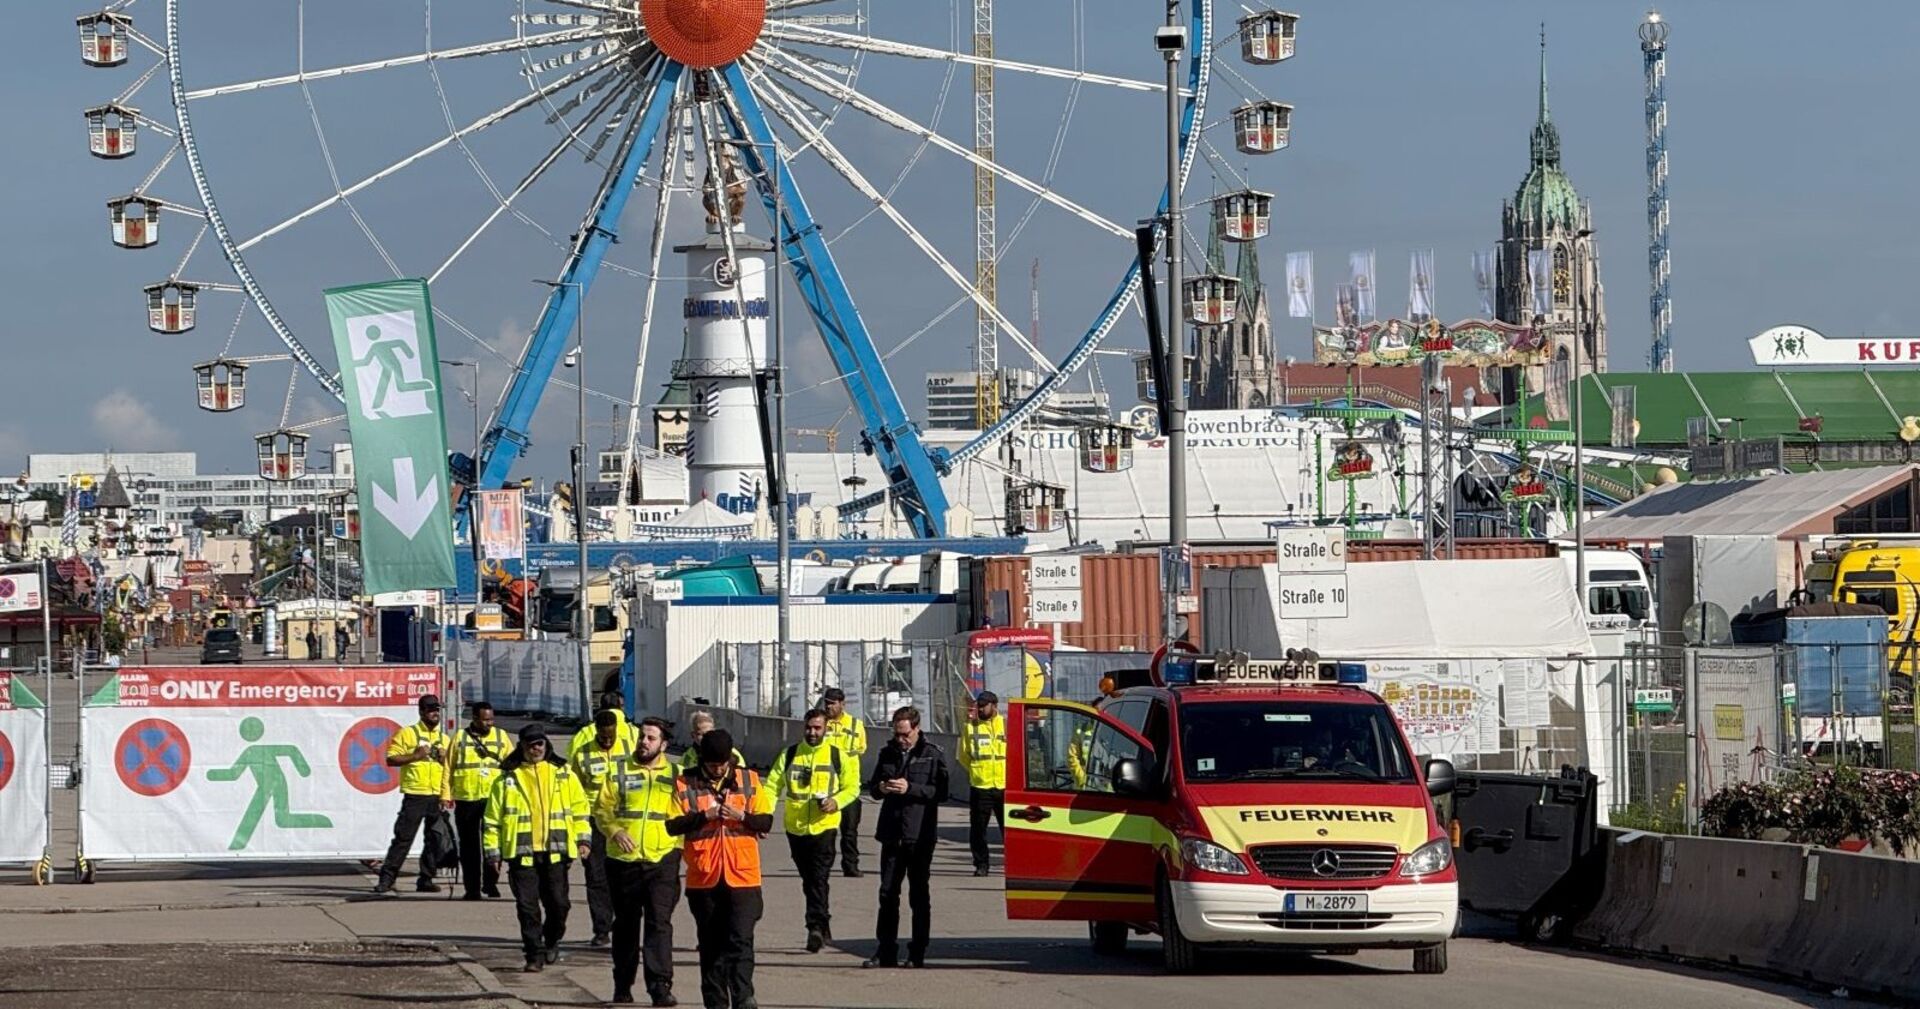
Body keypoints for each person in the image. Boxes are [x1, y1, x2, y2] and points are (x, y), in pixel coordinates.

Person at [667, 730, 774, 1009]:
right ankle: (715, 1003)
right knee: (711, 945)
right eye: (712, 764)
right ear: (703, 760)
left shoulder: (748, 780)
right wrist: (705, 816)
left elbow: (765, 821)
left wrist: (742, 816)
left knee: (741, 938)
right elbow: (672, 825)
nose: (717, 769)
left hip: (744, 876)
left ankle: (743, 996)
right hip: (704, 877)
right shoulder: (684, 783)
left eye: (722, 764)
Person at [486, 723, 592, 974]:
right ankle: (533, 954)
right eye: (530, 744)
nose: (536, 749)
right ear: (521, 746)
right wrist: (493, 853)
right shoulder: (507, 778)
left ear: (546, 744)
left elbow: (580, 810)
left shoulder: (563, 773)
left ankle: (551, 939)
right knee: (527, 908)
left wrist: (583, 840)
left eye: (539, 744)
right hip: (521, 855)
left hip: (556, 852)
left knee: (559, 905)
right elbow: (492, 820)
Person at [595, 716, 685, 1007]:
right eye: (641, 737)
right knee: (625, 925)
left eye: (651, 738)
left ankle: (660, 987)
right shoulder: (619, 770)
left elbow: (684, 816)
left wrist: (678, 851)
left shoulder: (677, 775)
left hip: (662, 860)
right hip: (624, 861)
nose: (644, 743)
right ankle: (622, 984)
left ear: (664, 745)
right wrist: (615, 830)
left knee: (660, 924)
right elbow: (602, 809)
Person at [766, 708, 860, 952]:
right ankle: (823, 922)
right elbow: (772, 786)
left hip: (824, 827)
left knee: (818, 877)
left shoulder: (838, 756)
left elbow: (852, 787)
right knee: (810, 880)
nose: (812, 732)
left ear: (826, 729)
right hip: (795, 828)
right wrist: (764, 815)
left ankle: (814, 928)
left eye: (817, 728)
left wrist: (836, 802)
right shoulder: (790, 754)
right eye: (809, 727)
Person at [863, 706, 949, 969]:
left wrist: (910, 788)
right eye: (897, 734)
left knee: (918, 895)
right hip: (892, 833)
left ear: (916, 729)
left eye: (905, 734)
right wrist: (881, 787)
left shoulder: (932, 754)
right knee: (887, 893)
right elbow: (873, 788)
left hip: (919, 835)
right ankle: (886, 949)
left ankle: (917, 951)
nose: (901, 739)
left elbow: (941, 792)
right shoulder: (887, 752)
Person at [571, 705, 637, 947]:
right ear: (596, 731)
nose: (608, 741)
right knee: (596, 875)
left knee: (624, 876)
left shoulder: (629, 749)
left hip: (622, 820)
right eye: (603, 737)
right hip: (593, 820)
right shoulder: (582, 754)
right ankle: (601, 929)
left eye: (611, 736)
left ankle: (625, 926)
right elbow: (575, 789)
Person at [375, 694, 449, 895]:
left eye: (437, 710)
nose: (435, 713)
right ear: (421, 712)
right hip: (415, 794)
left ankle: (426, 878)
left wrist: (446, 793)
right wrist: (415, 756)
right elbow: (391, 759)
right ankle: (387, 879)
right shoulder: (408, 734)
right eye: (430, 710)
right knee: (403, 839)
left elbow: (448, 770)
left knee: (434, 839)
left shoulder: (444, 739)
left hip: (436, 795)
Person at [443, 700, 512, 900]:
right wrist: (445, 795)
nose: (489, 723)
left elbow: (513, 765)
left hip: (493, 799)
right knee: (469, 847)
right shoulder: (460, 738)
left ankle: (490, 884)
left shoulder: (501, 736)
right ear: (474, 718)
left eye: (491, 719)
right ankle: (472, 888)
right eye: (485, 720)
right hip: (467, 799)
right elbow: (448, 767)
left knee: (493, 845)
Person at [819, 688, 868, 877]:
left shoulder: (856, 725)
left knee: (849, 830)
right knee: (826, 830)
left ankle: (850, 865)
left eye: (832, 703)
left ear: (842, 704)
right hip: (826, 785)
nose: (828, 707)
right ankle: (823, 865)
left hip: (849, 786)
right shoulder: (820, 724)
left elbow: (861, 749)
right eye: (826, 703)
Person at [957, 692, 1006, 877]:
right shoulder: (970, 727)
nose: (981, 708)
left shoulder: (1005, 725)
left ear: (994, 706)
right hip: (980, 786)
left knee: (1009, 830)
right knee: (978, 830)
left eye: (984, 705)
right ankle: (981, 864)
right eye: (979, 705)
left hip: (1003, 785)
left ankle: (1012, 863)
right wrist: (976, 771)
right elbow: (963, 756)